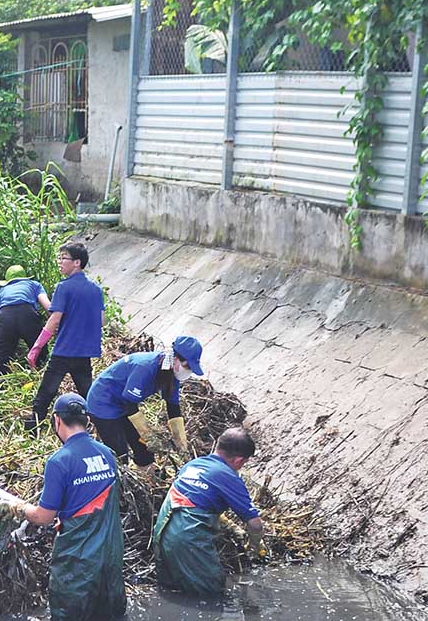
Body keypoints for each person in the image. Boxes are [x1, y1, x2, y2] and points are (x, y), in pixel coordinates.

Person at [0, 393, 126, 620]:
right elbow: (98, 501)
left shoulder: (60, 461)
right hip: (111, 558)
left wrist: (16, 505)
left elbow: (43, 517)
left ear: (57, 420)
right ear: (86, 420)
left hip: (79, 564)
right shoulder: (107, 454)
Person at [152, 427, 267, 597]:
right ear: (239, 460)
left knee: (175, 593)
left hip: (162, 534)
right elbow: (255, 524)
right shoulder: (228, 476)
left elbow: (194, 502)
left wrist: (233, 527)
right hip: (188, 539)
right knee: (212, 595)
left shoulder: (192, 465)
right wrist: (256, 545)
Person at [85, 336, 203, 467]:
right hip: (103, 403)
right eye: (187, 366)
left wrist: (182, 446)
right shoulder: (146, 367)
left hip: (124, 404)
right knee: (120, 454)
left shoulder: (171, 374)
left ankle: (148, 475)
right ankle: (119, 479)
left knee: (144, 450)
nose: (188, 371)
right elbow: (130, 404)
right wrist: (148, 435)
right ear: (175, 359)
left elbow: (173, 407)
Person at [26, 244, 104, 431]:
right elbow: (101, 321)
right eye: (59, 258)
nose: (60, 262)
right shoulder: (95, 289)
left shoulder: (64, 287)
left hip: (64, 351)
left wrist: (36, 348)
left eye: (63, 258)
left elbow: (54, 320)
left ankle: (31, 430)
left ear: (77, 263)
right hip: (84, 353)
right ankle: (101, 428)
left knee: (45, 393)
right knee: (88, 394)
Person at [0, 264, 50, 377]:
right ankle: (41, 375)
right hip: (27, 313)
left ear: (7, 280)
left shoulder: (3, 289)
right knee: (41, 353)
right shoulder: (34, 285)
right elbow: (48, 307)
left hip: (5, 316)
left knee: (0, 358)